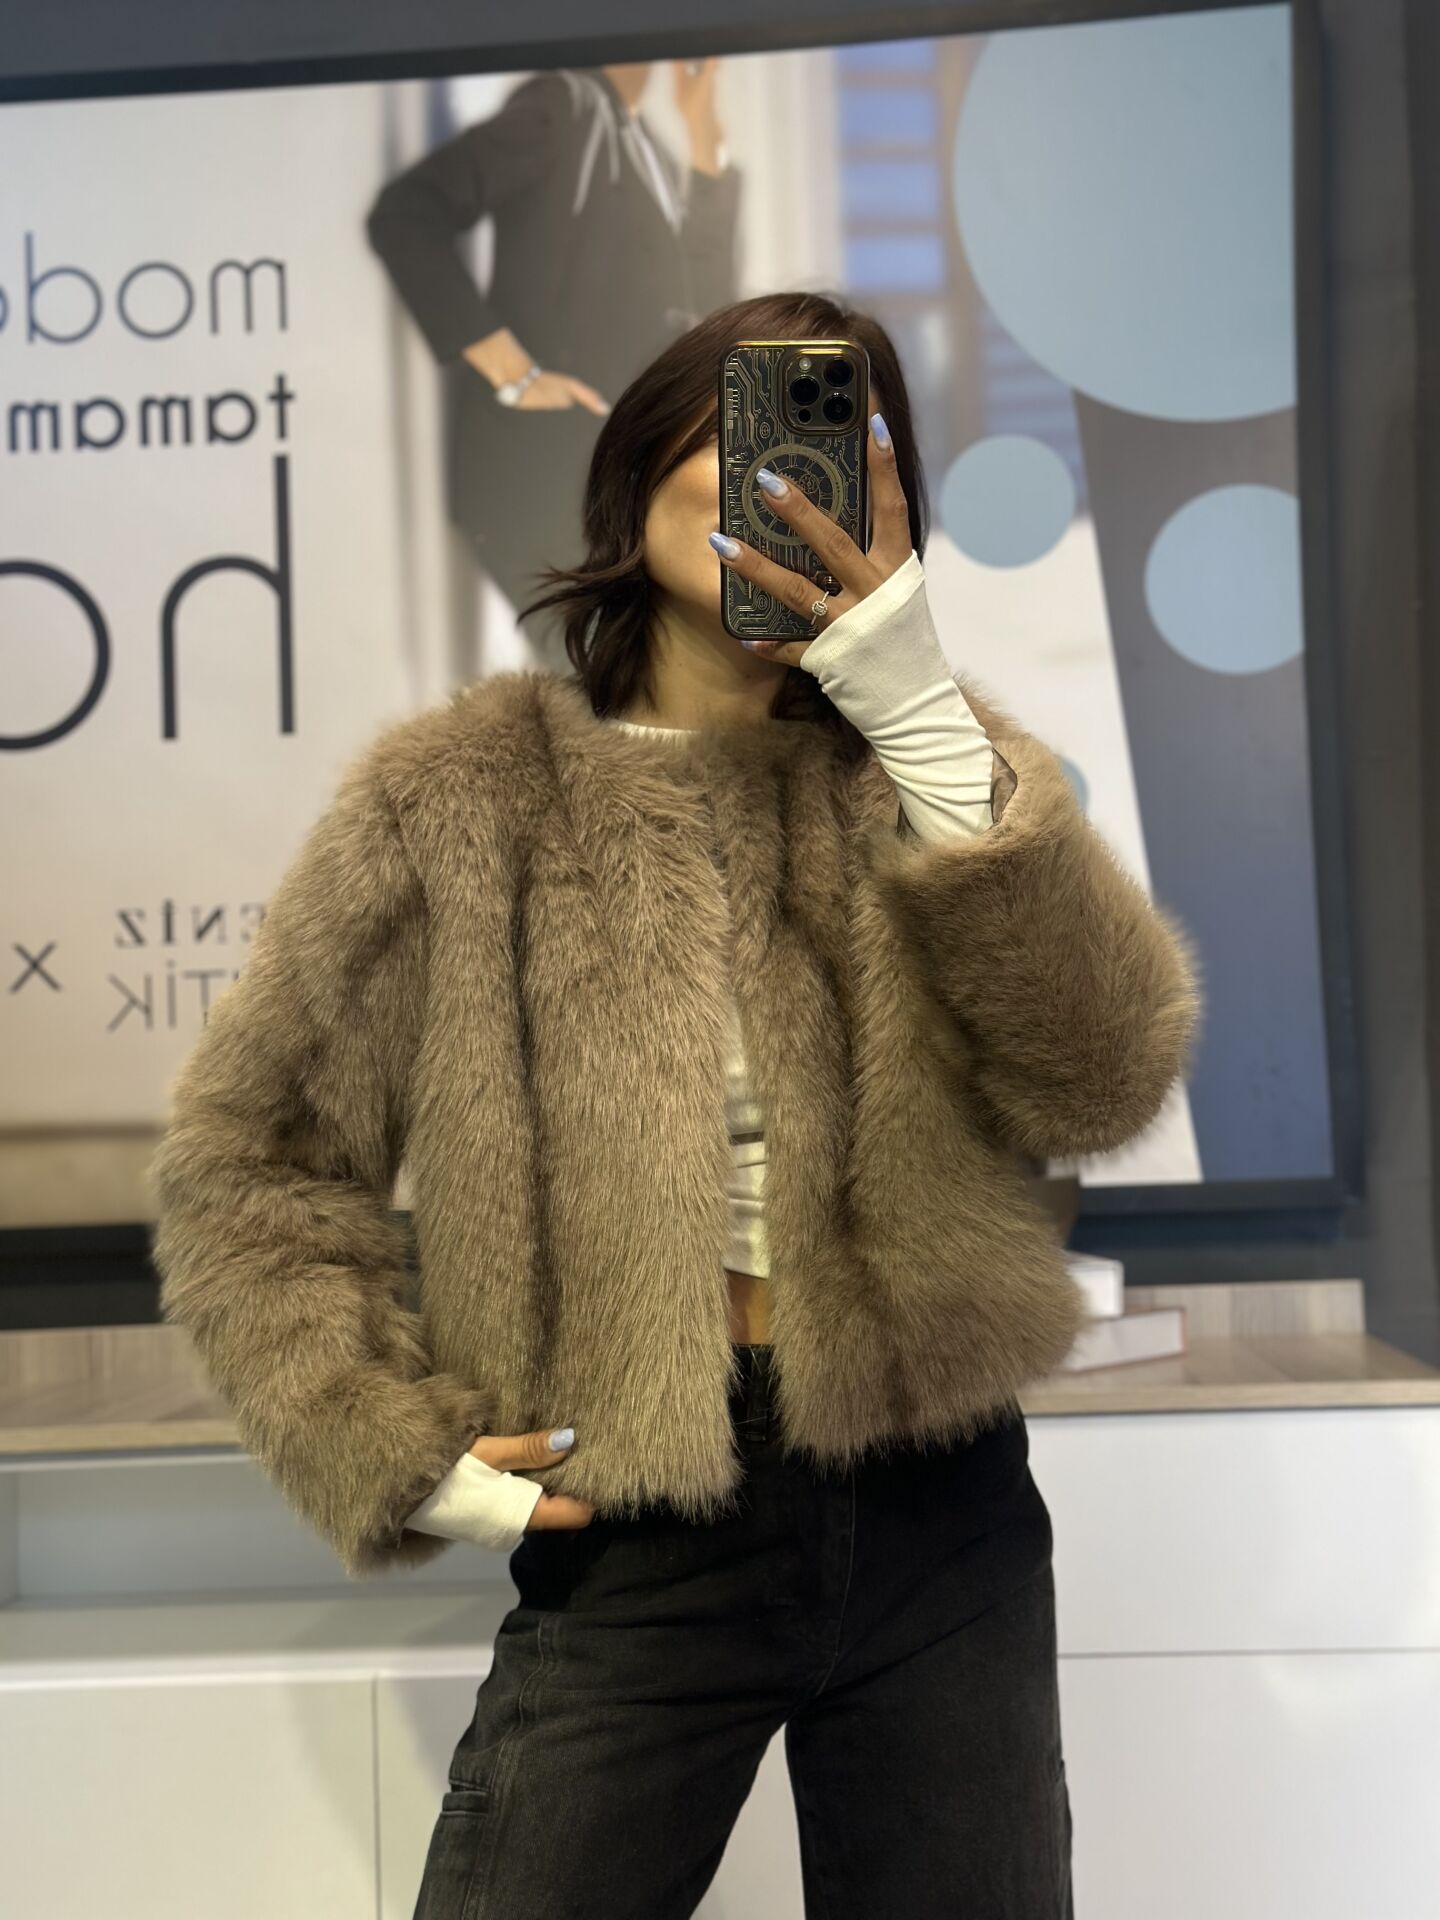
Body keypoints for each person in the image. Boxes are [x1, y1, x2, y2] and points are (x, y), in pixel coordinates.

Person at [149, 289, 1203, 1918]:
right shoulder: (461, 799)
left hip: (945, 1514)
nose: (790, 481)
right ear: (639, 469)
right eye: (747, 430)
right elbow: (252, 1163)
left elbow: (1104, 1073)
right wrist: (386, 1442)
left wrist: (917, 705)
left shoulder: (939, 770)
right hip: (633, 1518)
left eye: (844, 446)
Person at [365, 61, 741, 669]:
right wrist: (511, 370)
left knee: (640, 684)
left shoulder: (642, 145)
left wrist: (704, 133)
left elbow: (708, 306)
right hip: (546, 481)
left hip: (614, 486)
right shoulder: (564, 108)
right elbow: (406, 213)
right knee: (613, 684)